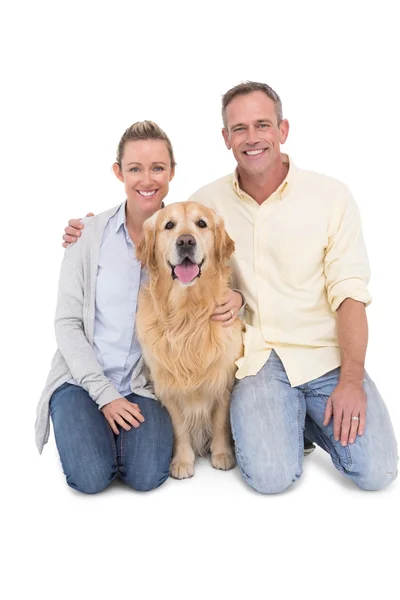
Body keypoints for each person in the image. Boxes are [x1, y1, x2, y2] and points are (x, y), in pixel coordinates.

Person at [61, 82, 398, 494]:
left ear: (283, 129)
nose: (252, 137)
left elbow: (351, 294)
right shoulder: (205, 202)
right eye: (239, 128)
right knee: (270, 479)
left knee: (378, 473)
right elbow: (165, 232)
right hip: (259, 361)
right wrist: (88, 227)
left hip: (323, 357)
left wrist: (351, 380)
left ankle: (302, 420)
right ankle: (284, 423)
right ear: (226, 138)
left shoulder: (331, 196)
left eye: (262, 125)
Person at [35, 120, 244, 494]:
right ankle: (85, 424)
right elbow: (66, 323)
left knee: (148, 476)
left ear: (171, 172)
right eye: (135, 168)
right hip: (83, 380)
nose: (146, 179)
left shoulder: (177, 228)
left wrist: (239, 298)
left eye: (157, 168)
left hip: (138, 386)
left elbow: (222, 267)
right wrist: (104, 397)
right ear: (119, 172)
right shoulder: (88, 235)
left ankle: (115, 440)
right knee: (90, 478)